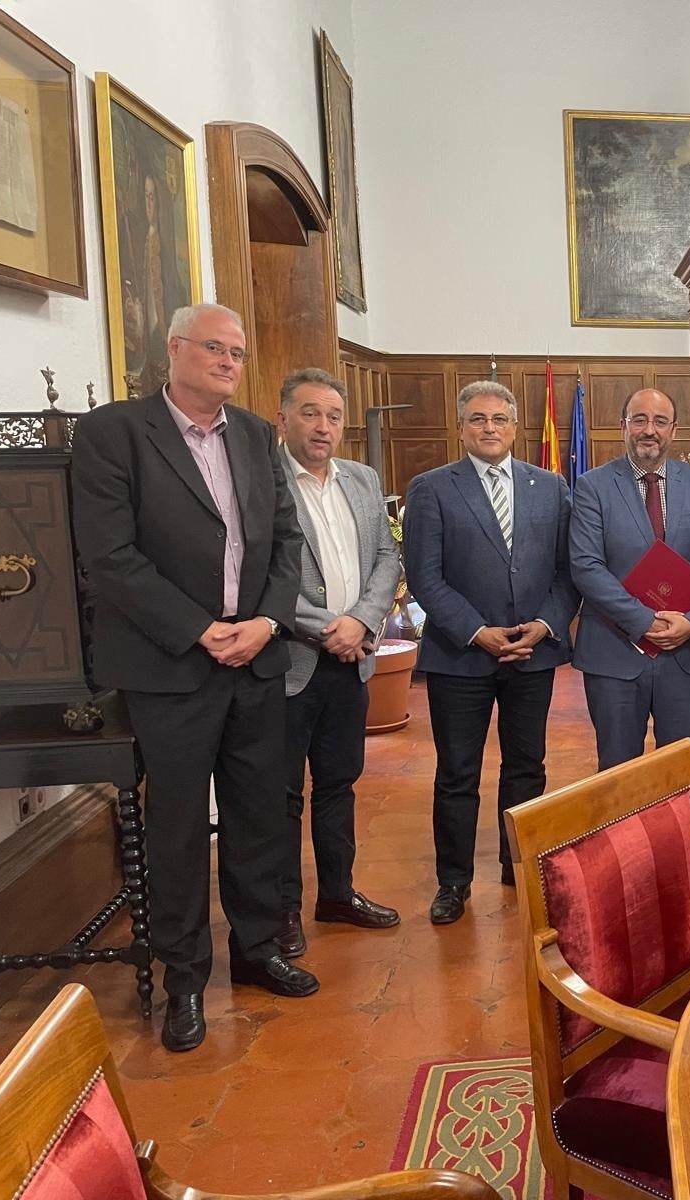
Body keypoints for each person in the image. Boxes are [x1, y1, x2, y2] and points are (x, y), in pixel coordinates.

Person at [71, 302, 315, 1053]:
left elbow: (284, 539)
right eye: (216, 349)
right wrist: (198, 629)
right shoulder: (115, 432)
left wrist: (267, 623)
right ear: (174, 349)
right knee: (176, 827)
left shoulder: (253, 436)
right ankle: (183, 977)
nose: (229, 364)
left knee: (258, 813)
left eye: (238, 354)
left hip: (255, 656)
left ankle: (256, 946)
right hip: (170, 664)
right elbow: (109, 557)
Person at [403, 381, 578, 925]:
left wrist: (545, 625)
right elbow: (425, 579)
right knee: (457, 772)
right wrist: (477, 631)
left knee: (527, 766)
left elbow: (566, 571)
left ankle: (517, 864)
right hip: (461, 656)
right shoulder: (431, 488)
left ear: (516, 425)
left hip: (532, 653)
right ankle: (453, 881)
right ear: (461, 427)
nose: (490, 427)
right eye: (478, 419)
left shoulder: (549, 486)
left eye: (500, 418)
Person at [274, 368, 401, 957]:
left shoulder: (362, 478)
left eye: (332, 415)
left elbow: (385, 555)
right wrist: (332, 628)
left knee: (338, 784)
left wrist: (363, 622)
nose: (323, 426)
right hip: (290, 663)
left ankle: (338, 893)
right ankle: (280, 914)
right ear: (283, 418)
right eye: (309, 413)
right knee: (281, 796)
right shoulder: (263, 481)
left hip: (353, 661)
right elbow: (258, 577)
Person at [570, 387, 690, 770]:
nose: (649, 430)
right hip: (615, 653)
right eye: (639, 419)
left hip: (685, 655)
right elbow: (586, 566)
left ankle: (676, 836)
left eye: (660, 421)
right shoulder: (593, 486)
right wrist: (644, 621)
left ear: (674, 429)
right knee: (618, 773)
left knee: (681, 771)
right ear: (623, 426)